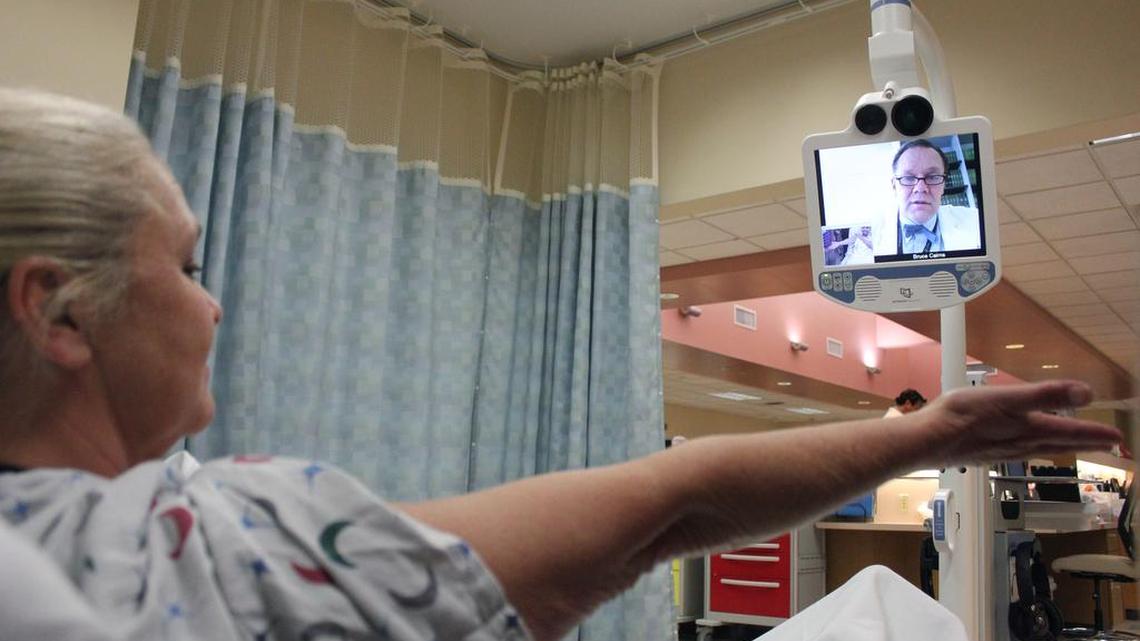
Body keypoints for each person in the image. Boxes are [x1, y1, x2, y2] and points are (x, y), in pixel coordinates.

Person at [0, 87, 1123, 641]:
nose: (213, 303)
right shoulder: (207, 544)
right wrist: (919, 436)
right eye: (186, 267)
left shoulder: (182, 526)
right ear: (58, 311)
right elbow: (670, 500)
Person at [872, 139, 981, 258]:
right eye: (908, 177)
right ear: (894, 185)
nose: (921, 188)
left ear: (943, 184)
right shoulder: (870, 230)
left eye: (933, 177)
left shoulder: (976, 221)